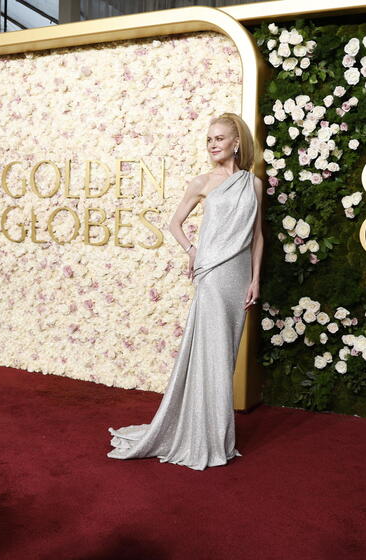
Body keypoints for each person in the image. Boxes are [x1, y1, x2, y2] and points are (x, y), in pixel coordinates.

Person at [107, 112, 264, 470]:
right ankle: (200, 436)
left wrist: (255, 279)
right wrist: (192, 251)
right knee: (210, 353)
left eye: (220, 138)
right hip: (210, 275)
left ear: (236, 142)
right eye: (209, 139)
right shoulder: (202, 182)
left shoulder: (252, 184)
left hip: (238, 277)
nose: (213, 145)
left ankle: (216, 434)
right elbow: (174, 223)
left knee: (225, 356)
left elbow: (257, 237)